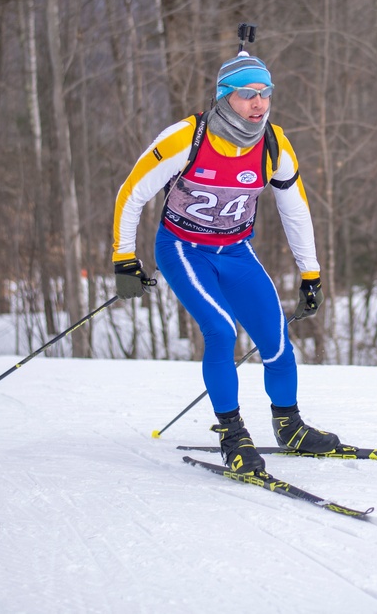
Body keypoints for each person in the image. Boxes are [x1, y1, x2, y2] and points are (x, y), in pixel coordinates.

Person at [111, 51, 340, 475]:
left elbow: (296, 212)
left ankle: (290, 427)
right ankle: (233, 436)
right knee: (220, 329)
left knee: (275, 337)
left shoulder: (274, 144)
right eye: (247, 94)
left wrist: (311, 274)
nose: (259, 104)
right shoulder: (186, 138)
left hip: (235, 251)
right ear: (224, 97)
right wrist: (124, 258)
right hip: (183, 249)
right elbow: (132, 192)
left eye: (265, 93)